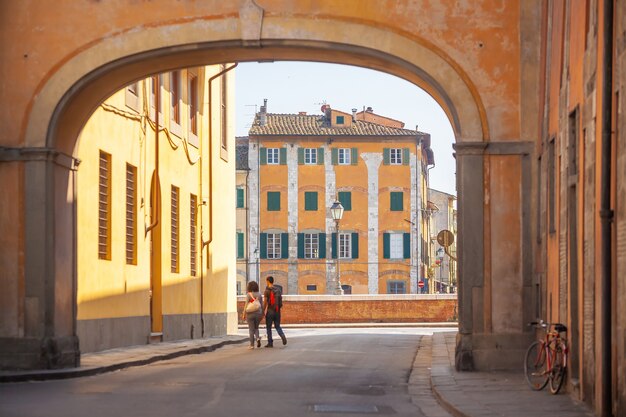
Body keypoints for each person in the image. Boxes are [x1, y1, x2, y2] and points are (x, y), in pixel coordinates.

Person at [263, 276, 287, 347]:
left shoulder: (267, 290)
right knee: (277, 326)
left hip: (270, 311)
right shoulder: (278, 290)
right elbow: (280, 302)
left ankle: (270, 342)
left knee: (268, 327)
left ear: (267, 281)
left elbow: (265, 303)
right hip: (277, 311)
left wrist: (263, 311)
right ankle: (282, 335)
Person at [242, 281, 263, 349]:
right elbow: (261, 305)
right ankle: (257, 338)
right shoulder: (259, 294)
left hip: (250, 314)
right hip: (258, 313)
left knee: (251, 329)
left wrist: (244, 314)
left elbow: (246, 305)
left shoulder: (249, 295)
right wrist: (262, 314)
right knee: (256, 328)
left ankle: (251, 345)